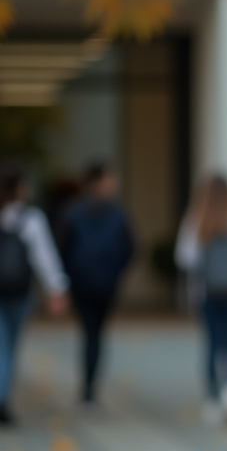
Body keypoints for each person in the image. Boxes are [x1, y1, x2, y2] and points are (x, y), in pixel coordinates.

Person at [175, 174, 227, 425]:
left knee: (212, 342)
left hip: (206, 292)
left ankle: (212, 398)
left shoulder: (196, 220)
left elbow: (185, 258)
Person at [59, 161, 134, 408]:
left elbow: (62, 247)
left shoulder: (73, 211)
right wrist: (116, 271)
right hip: (106, 283)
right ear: (98, 182)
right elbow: (131, 248)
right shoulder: (117, 213)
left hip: (80, 282)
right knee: (96, 334)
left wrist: (67, 274)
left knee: (89, 332)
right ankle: (90, 388)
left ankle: (87, 388)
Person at [0, 163, 69, 426]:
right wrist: (57, 289)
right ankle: (2, 399)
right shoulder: (30, 218)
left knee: (1, 346)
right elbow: (44, 257)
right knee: (9, 346)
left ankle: (2, 396)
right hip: (19, 291)